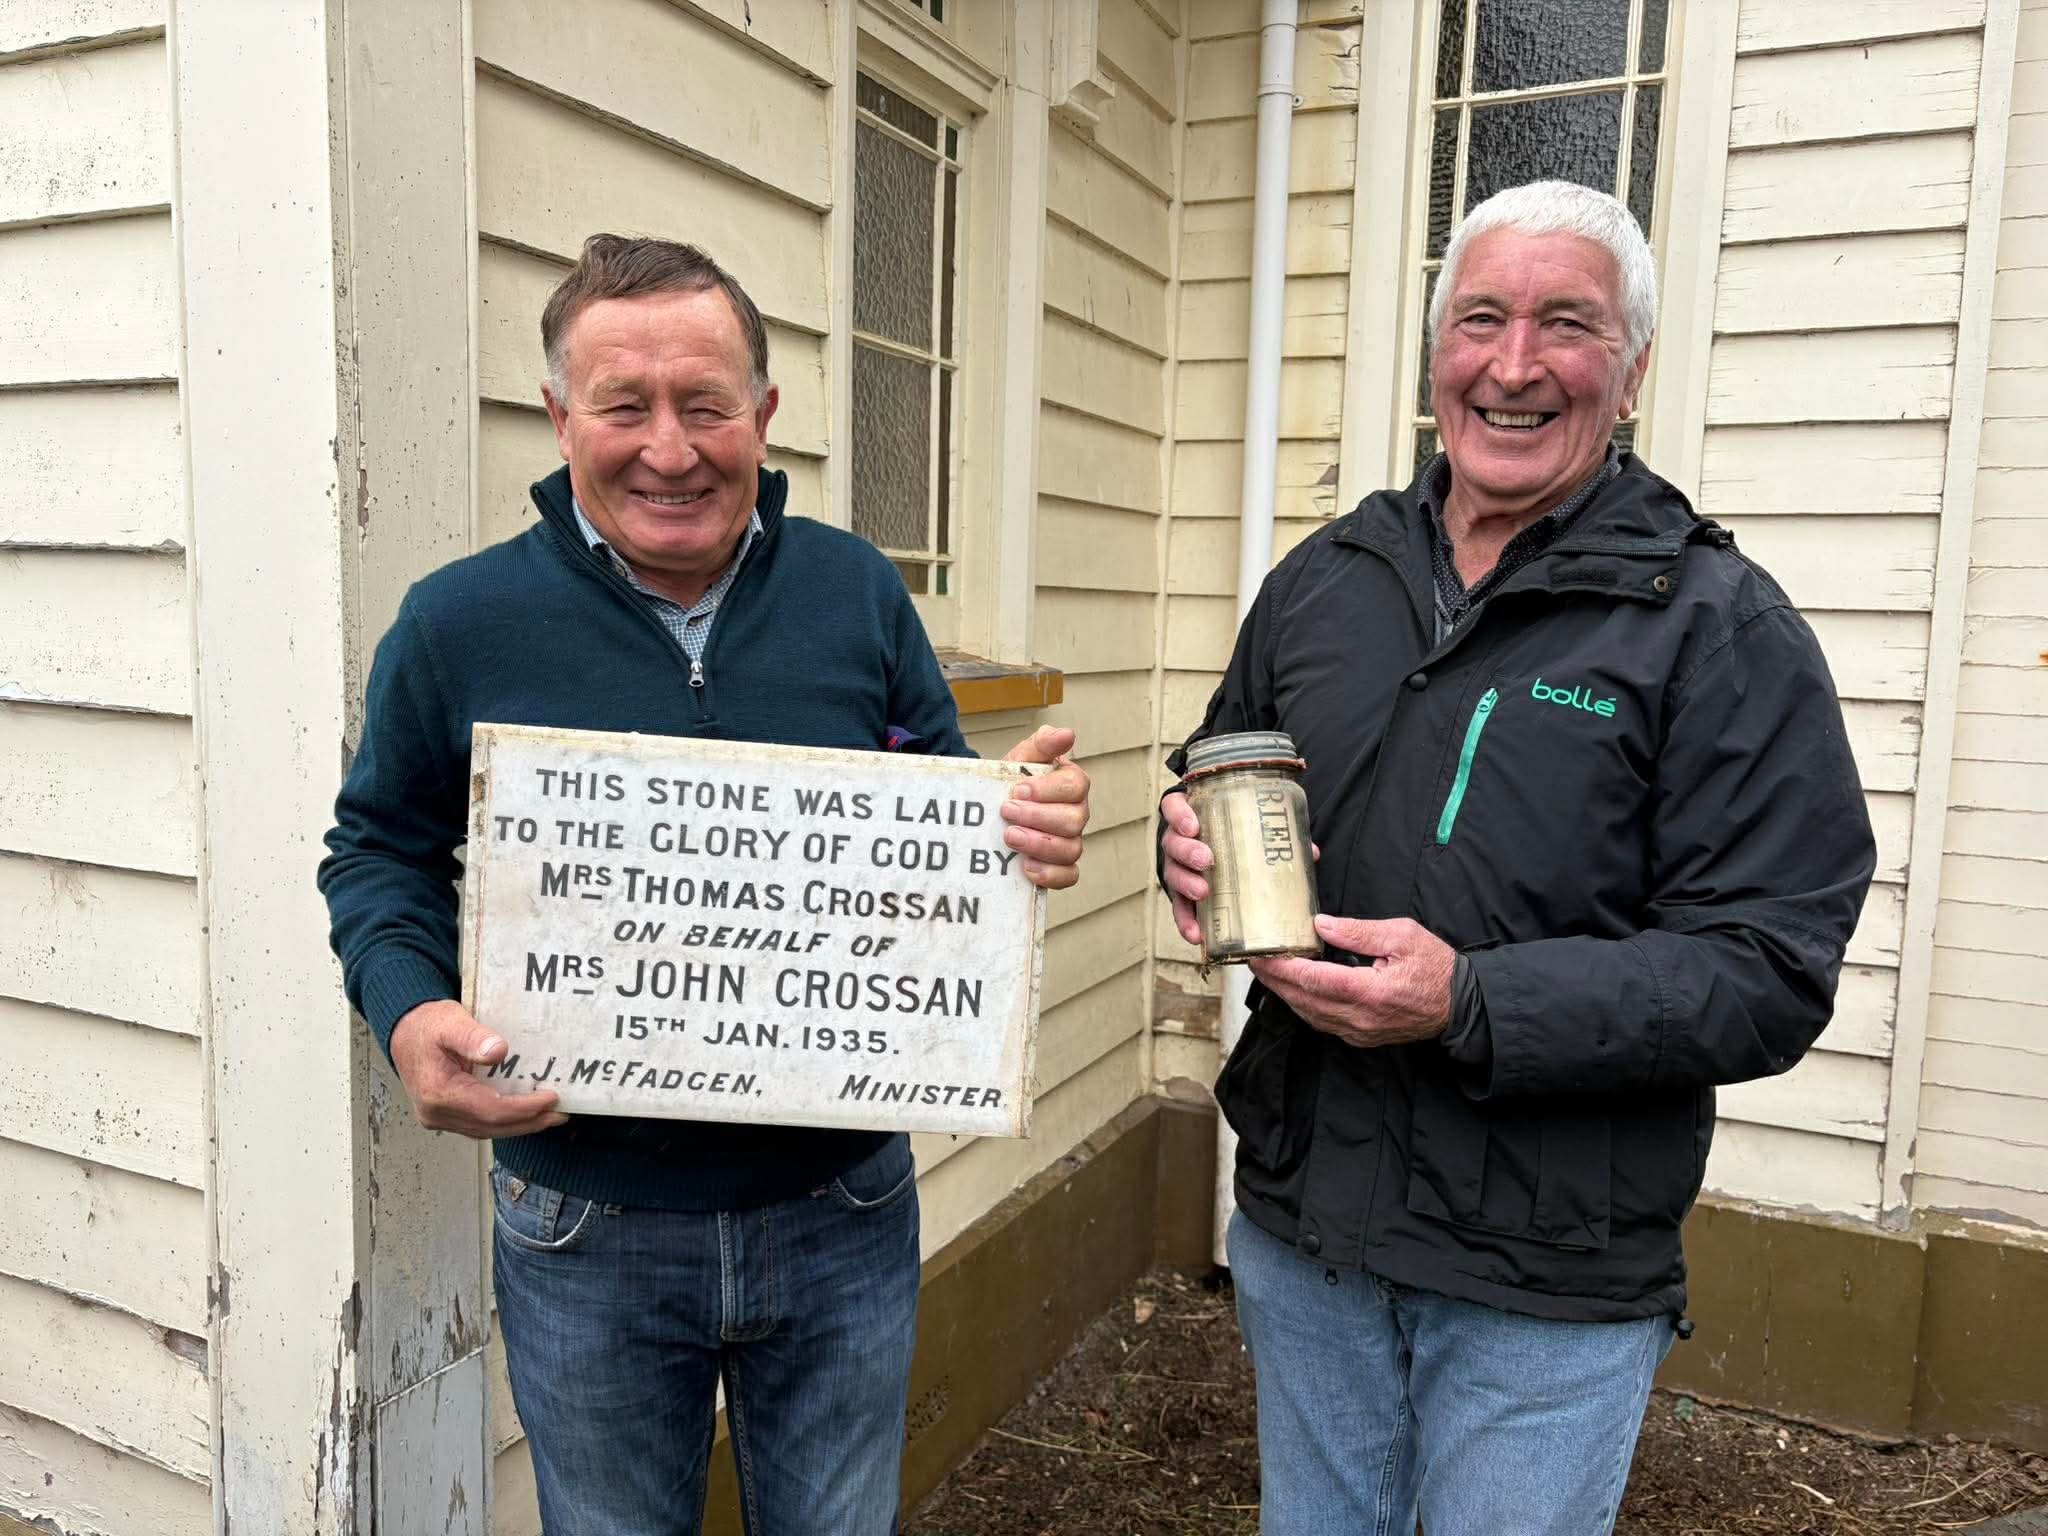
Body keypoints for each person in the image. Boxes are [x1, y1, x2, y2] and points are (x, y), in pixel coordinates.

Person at [320, 234, 1091, 1536]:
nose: (668, 450)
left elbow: (936, 799)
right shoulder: (457, 624)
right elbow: (379, 850)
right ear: (561, 417)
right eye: (624, 406)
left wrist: (1019, 827)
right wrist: (406, 1011)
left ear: (765, 414)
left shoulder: (857, 594)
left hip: (841, 1208)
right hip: (587, 1220)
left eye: (706, 405)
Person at [1158, 180, 1875, 1536]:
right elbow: (1221, 767)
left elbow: (1770, 970)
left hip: (1542, 1283)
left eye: (1569, 325)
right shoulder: (1327, 580)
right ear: (1437, 353)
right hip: (1309, 1232)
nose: (1515, 364)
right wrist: (1184, 844)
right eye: (1481, 319)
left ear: (1632, 368)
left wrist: (1471, 1002)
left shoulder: (1713, 625)